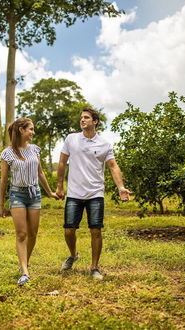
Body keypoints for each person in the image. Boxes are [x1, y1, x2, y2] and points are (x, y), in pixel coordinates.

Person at [56, 108, 131, 280]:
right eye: (81, 117)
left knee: (95, 230)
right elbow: (62, 162)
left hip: (95, 193)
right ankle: (73, 255)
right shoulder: (71, 139)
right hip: (74, 193)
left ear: (95, 121)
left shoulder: (104, 144)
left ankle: (94, 267)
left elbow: (113, 166)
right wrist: (60, 186)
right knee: (69, 230)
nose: (82, 120)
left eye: (86, 118)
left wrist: (121, 188)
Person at [0, 117, 58, 286]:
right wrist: (2, 204)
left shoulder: (34, 150)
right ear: (21, 130)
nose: (33, 132)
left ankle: (25, 262)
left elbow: (40, 173)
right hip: (17, 194)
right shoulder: (7, 153)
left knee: (33, 233)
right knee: (22, 234)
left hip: (35, 194)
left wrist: (50, 192)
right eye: (30, 129)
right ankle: (25, 271)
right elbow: (3, 180)